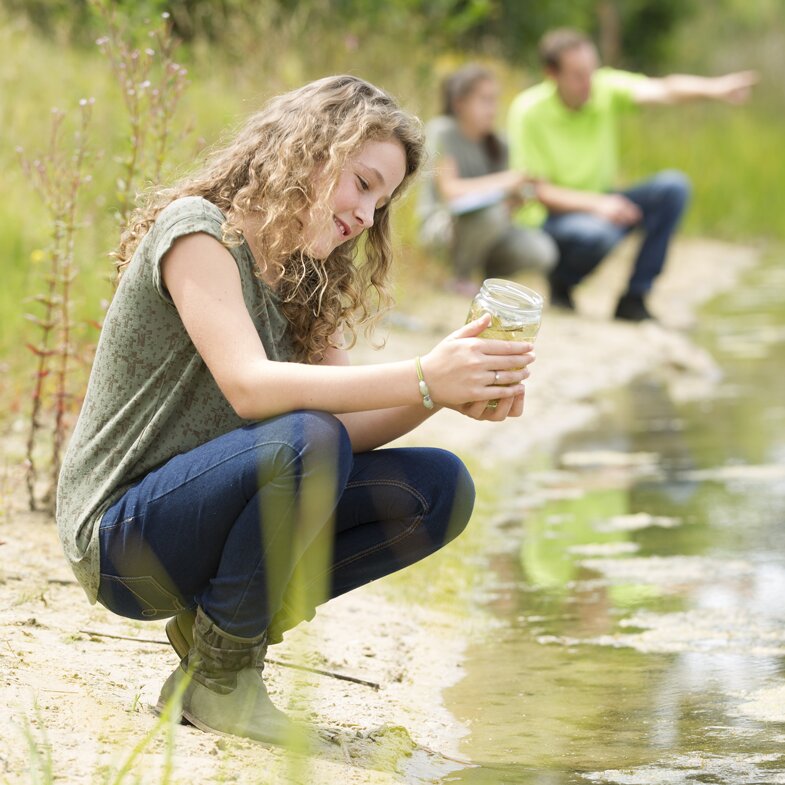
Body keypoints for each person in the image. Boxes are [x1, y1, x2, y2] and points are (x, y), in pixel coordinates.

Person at [55, 75, 535, 744]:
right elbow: (250, 386)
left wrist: (439, 395)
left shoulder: (309, 276)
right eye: (363, 184)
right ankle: (223, 681)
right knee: (307, 437)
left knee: (436, 489)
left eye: (383, 201)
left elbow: (351, 431)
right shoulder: (198, 233)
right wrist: (423, 373)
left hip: (209, 524)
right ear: (308, 151)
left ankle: (216, 635)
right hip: (122, 539)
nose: (368, 216)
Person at [508, 28, 758, 321]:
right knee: (598, 233)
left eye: (592, 70)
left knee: (673, 188)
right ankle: (562, 282)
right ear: (552, 74)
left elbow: (664, 89)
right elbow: (533, 191)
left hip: (603, 203)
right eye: (577, 75)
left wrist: (714, 89)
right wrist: (598, 205)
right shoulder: (528, 111)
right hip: (550, 218)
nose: (589, 82)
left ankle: (634, 298)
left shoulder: (604, 89)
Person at [418, 64, 557, 297]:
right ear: (459, 103)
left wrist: (520, 195)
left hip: (490, 232)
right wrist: (505, 181)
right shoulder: (443, 131)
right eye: (485, 100)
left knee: (542, 250)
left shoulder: (500, 144)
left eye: (495, 100)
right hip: (444, 228)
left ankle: (484, 281)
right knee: (491, 215)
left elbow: (503, 207)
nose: (493, 108)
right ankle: (458, 277)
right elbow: (449, 192)